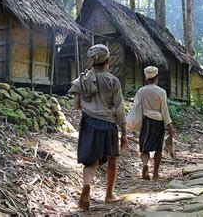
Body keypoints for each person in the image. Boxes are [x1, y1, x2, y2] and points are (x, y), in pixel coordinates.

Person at [68, 44, 127, 211]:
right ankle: (109, 195)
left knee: (90, 162)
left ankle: (86, 185)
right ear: (107, 60)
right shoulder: (113, 81)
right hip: (108, 124)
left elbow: (77, 105)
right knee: (112, 159)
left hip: (88, 123)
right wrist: (124, 131)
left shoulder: (82, 79)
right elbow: (119, 108)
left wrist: (90, 106)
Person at [133, 66, 176, 181]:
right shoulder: (161, 92)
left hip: (146, 121)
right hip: (158, 122)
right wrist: (169, 126)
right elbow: (164, 110)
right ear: (157, 77)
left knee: (144, 148)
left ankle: (145, 165)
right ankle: (156, 174)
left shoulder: (141, 91)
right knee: (158, 148)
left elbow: (137, 108)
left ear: (146, 78)